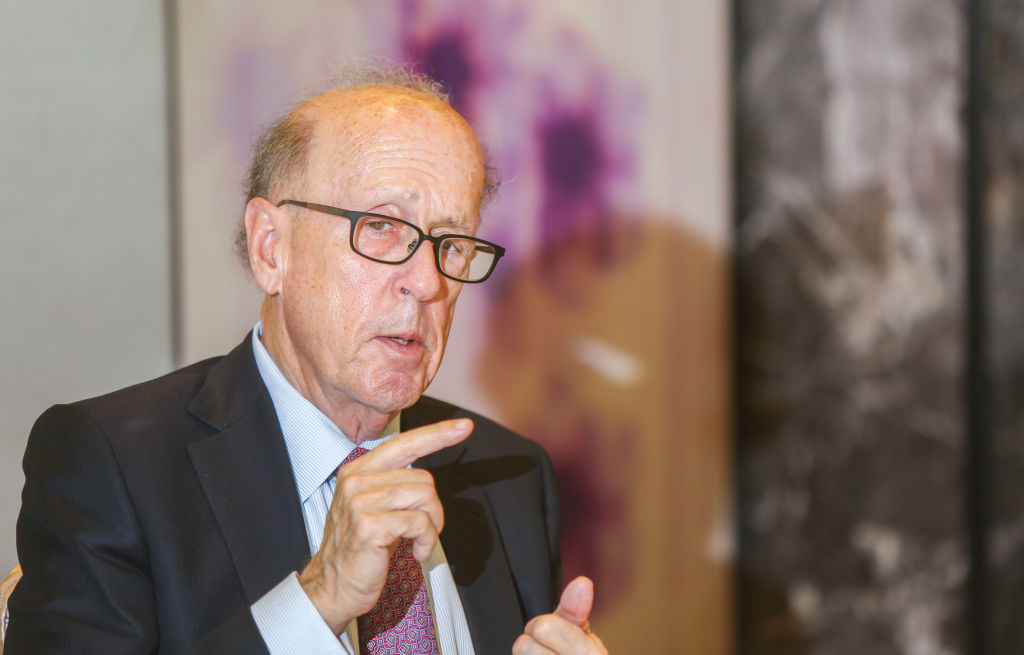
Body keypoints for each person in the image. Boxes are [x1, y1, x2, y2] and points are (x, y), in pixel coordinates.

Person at [6, 67, 607, 655]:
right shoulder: (114, 467)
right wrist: (317, 601)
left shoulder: (507, 473)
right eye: (381, 227)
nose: (427, 282)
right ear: (272, 249)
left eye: (451, 244)